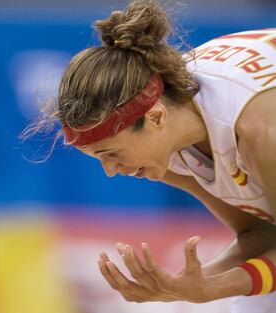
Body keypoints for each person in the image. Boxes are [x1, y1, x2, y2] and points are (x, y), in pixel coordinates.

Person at [24, 0, 276, 310]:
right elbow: (261, 233)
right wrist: (176, 288)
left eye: (111, 153)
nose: (111, 170)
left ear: (156, 118)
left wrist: (210, 290)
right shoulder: (166, 130)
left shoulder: (259, 130)